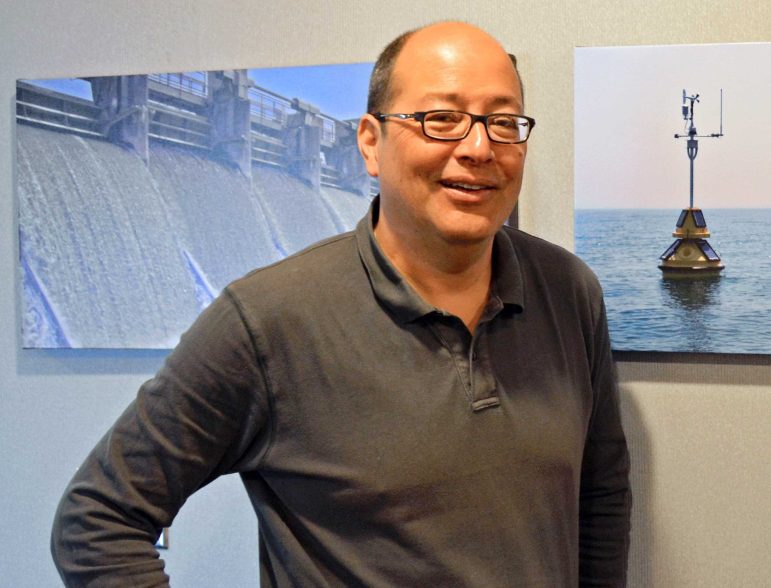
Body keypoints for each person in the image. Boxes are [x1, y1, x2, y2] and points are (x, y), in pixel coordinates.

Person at [51, 21, 631, 587]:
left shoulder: (569, 290)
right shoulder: (268, 320)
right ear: (371, 143)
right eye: (442, 119)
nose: (479, 148)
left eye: (503, 122)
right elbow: (96, 521)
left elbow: (600, 494)